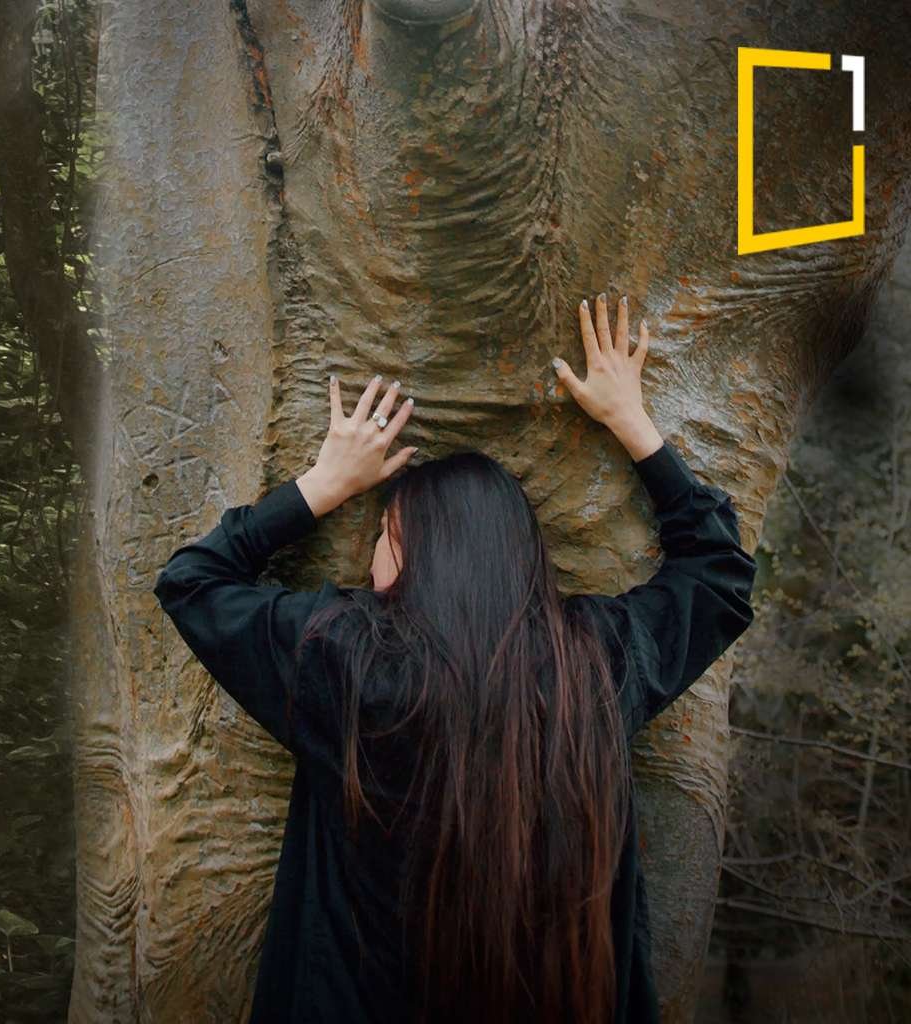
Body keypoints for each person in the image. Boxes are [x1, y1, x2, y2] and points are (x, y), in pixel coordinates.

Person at [152, 293, 758, 1024]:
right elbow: (719, 575)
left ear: (408, 553)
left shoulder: (343, 656)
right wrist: (632, 422)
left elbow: (192, 582)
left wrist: (324, 485)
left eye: (382, 536)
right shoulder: (592, 666)